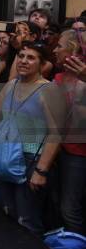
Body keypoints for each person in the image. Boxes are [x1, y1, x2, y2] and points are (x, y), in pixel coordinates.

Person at [0, 42, 66, 235]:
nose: (24, 61)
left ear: (42, 65)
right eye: (21, 56)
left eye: (31, 57)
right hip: (3, 157)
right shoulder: (11, 84)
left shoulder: (48, 90)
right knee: (2, 214)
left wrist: (41, 171)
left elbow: (56, 134)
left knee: (26, 220)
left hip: (30, 161)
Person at [52, 29, 86, 234]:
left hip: (79, 154)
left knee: (69, 209)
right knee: (57, 205)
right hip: (59, 150)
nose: (54, 50)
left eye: (59, 46)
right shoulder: (58, 78)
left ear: (72, 51)